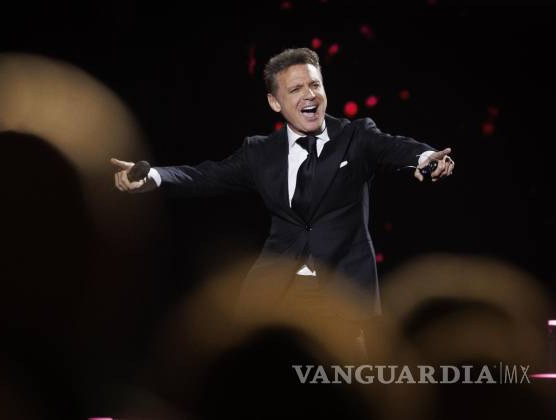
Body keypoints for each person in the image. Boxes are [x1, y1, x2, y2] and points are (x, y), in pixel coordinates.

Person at [111, 48, 454, 341]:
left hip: (344, 296)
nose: (310, 95)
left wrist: (426, 159)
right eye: (296, 89)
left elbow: (396, 148)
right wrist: (153, 175)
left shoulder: (357, 136)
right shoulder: (260, 152)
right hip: (276, 295)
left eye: (315, 85)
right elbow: (204, 175)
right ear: (275, 102)